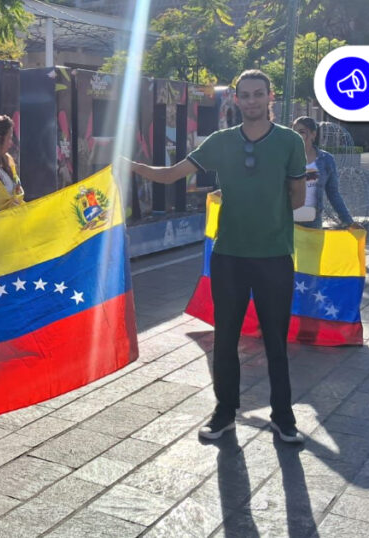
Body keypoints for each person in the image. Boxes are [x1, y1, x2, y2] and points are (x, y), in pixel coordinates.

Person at [131, 70, 307, 444]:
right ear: (236, 100)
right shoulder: (220, 142)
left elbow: (298, 197)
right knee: (224, 339)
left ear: (270, 97)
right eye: (245, 95)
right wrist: (130, 166)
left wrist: (266, 218)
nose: (252, 101)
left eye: (259, 94)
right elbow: (172, 175)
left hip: (274, 256)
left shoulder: (290, 141)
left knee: (276, 340)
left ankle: (284, 416)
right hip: (229, 256)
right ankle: (224, 412)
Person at [291, 116, 361, 230]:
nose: (296, 136)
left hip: (313, 223)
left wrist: (348, 221)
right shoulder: (285, 158)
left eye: (302, 132)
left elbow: (333, 193)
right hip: (288, 223)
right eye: (294, 132)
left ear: (313, 135)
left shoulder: (326, 160)